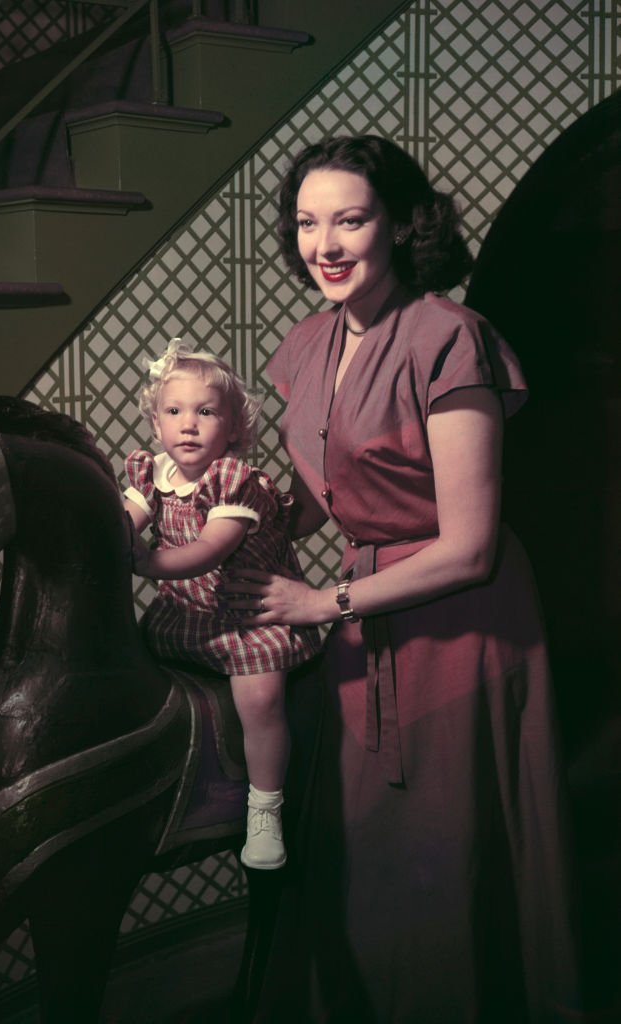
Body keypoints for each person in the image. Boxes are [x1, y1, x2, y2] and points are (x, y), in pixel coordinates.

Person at [221, 136, 582, 1021]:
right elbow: (323, 501)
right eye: (307, 223)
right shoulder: (306, 344)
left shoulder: (450, 339)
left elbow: (469, 547)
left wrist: (321, 600)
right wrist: (211, 514)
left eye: (350, 219)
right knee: (362, 856)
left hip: (462, 627)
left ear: (400, 226)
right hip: (362, 619)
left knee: (444, 856)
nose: (325, 245)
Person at [123, 339, 321, 871]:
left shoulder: (235, 480)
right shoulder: (152, 474)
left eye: (205, 412)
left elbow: (209, 549)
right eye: (174, 411)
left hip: (245, 619)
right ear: (157, 422)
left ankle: (264, 807)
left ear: (233, 427)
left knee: (259, 699)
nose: (188, 425)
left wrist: (144, 564)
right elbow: (127, 519)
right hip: (185, 618)